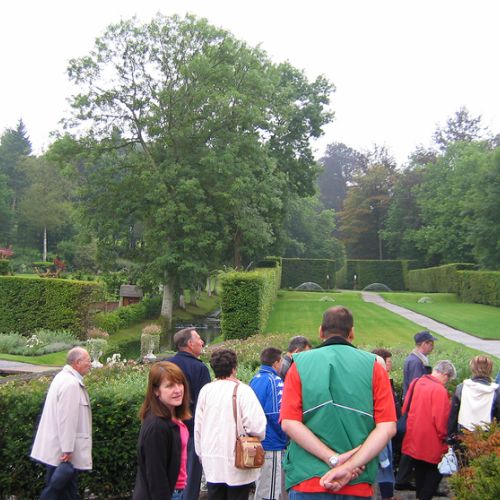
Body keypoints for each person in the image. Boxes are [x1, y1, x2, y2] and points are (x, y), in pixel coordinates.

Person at [280, 306, 397, 498]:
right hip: (356, 480)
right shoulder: (374, 367)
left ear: (320, 331)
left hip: (308, 478)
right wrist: (349, 465)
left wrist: (333, 459)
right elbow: (387, 428)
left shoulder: (299, 364)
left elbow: (289, 423)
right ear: (352, 333)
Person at [195, 349, 266, 500]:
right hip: (238, 458)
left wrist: (201, 453)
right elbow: (257, 427)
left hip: (211, 458)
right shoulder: (243, 391)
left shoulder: (205, 391)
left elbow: (198, 427)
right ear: (234, 368)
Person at [31, 347, 92, 500]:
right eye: (88, 360)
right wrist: (67, 450)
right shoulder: (71, 384)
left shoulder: (63, 378)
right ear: (77, 362)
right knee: (60, 492)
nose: (90, 364)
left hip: (58, 452)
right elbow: (67, 419)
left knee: (60, 490)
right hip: (62, 455)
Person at [133, 362, 191, 500]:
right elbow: (156, 475)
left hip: (178, 490)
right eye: (170, 386)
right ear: (156, 391)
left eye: (180, 383)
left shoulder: (173, 417)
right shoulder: (157, 426)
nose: (178, 390)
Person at [165, 327, 211, 500]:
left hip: (167, 427)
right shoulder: (200, 368)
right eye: (199, 339)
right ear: (190, 344)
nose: (202, 342)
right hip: (191, 430)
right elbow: (204, 404)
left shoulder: (166, 365)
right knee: (189, 479)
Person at [402, 360, 456, 500]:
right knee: (433, 475)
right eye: (448, 379)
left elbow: (405, 407)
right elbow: (441, 421)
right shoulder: (440, 390)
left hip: (414, 436)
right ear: (445, 375)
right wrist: (446, 438)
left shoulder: (416, 382)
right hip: (431, 440)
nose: (446, 382)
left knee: (420, 472)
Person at [396, 330, 436, 491]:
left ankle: (404, 478)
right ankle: (403, 479)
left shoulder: (416, 359)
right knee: (413, 444)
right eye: (431, 343)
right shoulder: (415, 362)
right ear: (424, 344)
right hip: (415, 410)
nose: (432, 347)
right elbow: (418, 387)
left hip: (413, 409)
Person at [250, 347, 288, 500]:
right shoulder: (275, 381)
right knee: (270, 490)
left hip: (257, 441)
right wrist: (285, 437)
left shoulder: (255, 379)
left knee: (261, 486)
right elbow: (276, 414)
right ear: (276, 362)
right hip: (272, 442)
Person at [448, 355, 500, 441]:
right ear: (490, 370)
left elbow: (453, 416)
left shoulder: (461, 388)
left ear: (472, 368)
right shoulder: (496, 391)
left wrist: (450, 435)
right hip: (487, 438)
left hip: (463, 435)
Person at [372, 349, 400, 500]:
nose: (391, 365)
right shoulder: (378, 385)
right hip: (381, 430)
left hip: (385, 429)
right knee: (384, 464)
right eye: (388, 362)